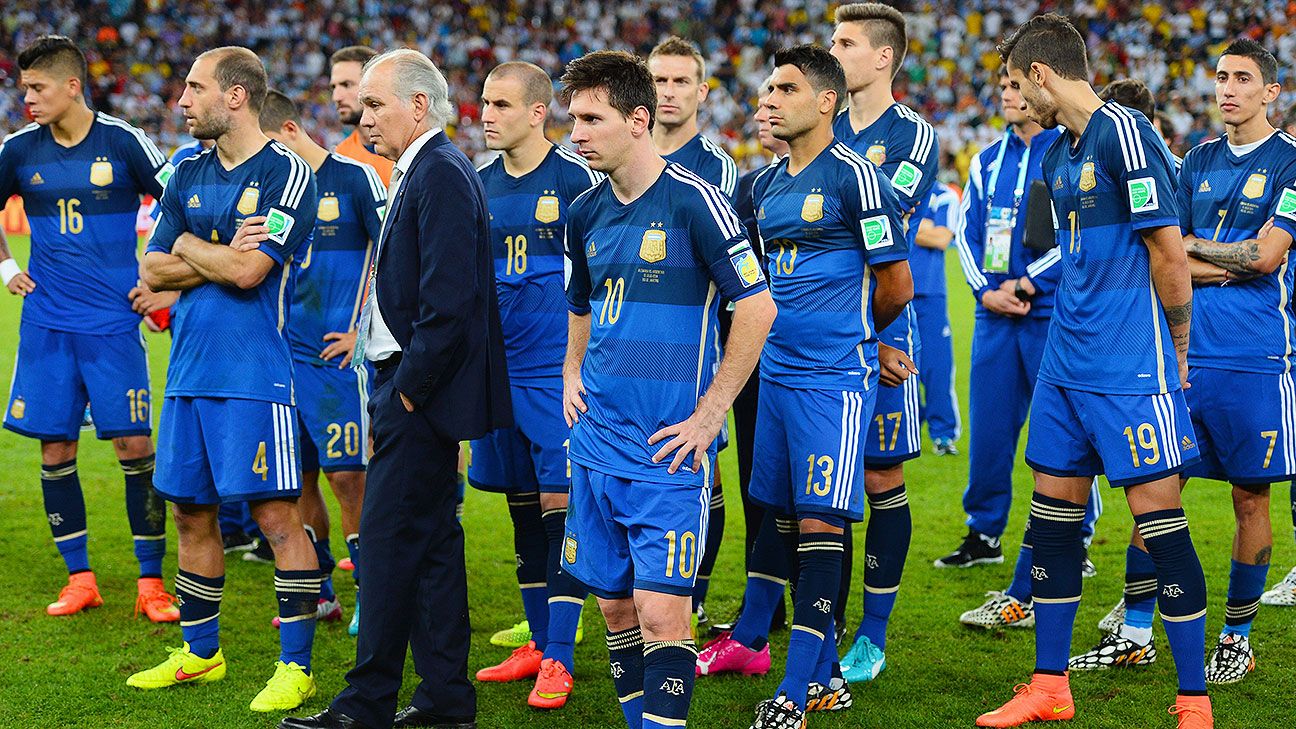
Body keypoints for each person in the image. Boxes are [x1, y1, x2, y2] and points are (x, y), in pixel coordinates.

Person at [977, 15, 1211, 728]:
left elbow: (1168, 252)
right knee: (1052, 520)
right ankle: (1049, 685)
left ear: (1042, 74)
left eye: (1017, 83)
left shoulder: (1126, 132)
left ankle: (1193, 697)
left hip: (1129, 369)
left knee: (1161, 525)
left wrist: (1177, 341)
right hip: (1064, 369)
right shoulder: (1057, 153)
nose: (1014, 97)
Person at [282, 48, 510, 729]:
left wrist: (405, 392)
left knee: (383, 547)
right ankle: (445, 700)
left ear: (419, 105)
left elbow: (449, 301)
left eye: (375, 103)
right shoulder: (427, 168)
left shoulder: (437, 172)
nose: (361, 113)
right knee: (433, 546)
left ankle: (366, 703)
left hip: (417, 390)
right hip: (412, 385)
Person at [558, 49, 775, 729]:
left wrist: (711, 415)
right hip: (596, 444)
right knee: (616, 607)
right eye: (573, 118)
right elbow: (581, 302)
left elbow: (759, 306)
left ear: (637, 120)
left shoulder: (696, 202)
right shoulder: (585, 210)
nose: (576, 133)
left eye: (591, 118)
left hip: (667, 452)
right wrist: (570, 372)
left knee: (661, 613)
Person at [1071, 39, 1296, 685]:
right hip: (1181, 352)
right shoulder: (1193, 159)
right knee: (1156, 491)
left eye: (1243, 78)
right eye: (1221, 76)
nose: (1227, 88)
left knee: (1250, 499)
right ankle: (1136, 631)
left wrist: (1195, 252)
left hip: (1256, 358)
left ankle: (1237, 635)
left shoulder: (1290, 164)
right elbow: (1159, 253)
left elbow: (1266, 258)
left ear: (1270, 91)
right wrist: (1216, 258)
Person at [128, 46, 322, 713]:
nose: (181, 100)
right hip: (186, 371)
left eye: (194, 88)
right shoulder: (185, 170)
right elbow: (151, 269)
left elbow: (250, 274)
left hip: (254, 375)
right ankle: (200, 651)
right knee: (190, 511)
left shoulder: (287, 173)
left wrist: (188, 248)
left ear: (236, 96)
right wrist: (199, 251)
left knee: (274, 515)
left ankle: (296, 664)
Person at [743, 45, 913, 729]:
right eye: (767, 88)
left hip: (833, 380)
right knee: (781, 514)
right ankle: (826, 676)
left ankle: (793, 692)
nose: (770, 100)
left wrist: (854, 335)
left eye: (785, 88)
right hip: (775, 373)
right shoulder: (764, 186)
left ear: (825, 101)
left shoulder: (856, 180)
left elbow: (896, 283)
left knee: (821, 521)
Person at [0, 34, 178, 623]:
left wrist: (161, 281)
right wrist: (7, 265)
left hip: (111, 323)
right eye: (23, 88)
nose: (26, 98)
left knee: (134, 445)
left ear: (72, 86)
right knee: (56, 447)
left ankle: (151, 584)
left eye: (36, 88)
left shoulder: (123, 141)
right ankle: (81, 579)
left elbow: (179, 205)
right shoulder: (20, 151)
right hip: (47, 324)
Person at [468, 60, 599, 710]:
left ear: (537, 112)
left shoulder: (576, 181)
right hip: (498, 374)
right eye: (483, 103)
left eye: (499, 103)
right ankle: (537, 642)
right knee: (522, 509)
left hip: (556, 376)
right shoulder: (476, 182)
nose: (485, 114)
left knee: (559, 514)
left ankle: (561, 655)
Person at [953, 66, 1102, 629]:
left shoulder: (1067, 152)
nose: (1008, 96)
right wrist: (985, 291)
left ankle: (1076, 536)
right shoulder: (985, 160)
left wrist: (1030, 280)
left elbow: (1078, 232)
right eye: (1003, 89)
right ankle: (984, 531)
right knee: (989, 429)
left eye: (1017, 87)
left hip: (1049, 313)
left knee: (1060, 435)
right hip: (994, 315)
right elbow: (967, 234)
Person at [829, 1, 939, 684]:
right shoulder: (821, 124)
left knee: (878, 476)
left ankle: (872, 633)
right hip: (816, 327)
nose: (832, 51)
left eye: (844, 42)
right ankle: (823, 615)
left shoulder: (913, 136)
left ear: (882, 57)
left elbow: (883, 228)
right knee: (822, 487)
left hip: (882, 321)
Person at [259, 90, 387, 637]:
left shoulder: (356, 179)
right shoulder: (270, 189)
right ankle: (322, 594)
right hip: (281, 359)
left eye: (268, 147)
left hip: (336, 362)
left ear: (288, 131)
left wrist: (362, 330)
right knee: (297, 480)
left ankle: (370, 595)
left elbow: (393, 252)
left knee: (348, 479)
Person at [647, 35, 739, 627]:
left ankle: (693, 592)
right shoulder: (612, 158)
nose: (669, 92)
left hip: (696, 345)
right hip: (628, 342)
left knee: (696, 465)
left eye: (682, 81)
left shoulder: (718, 168)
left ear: (703, 92)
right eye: (659, 80)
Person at [913, 180, 961, 454]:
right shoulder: (888, 188)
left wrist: (906, 222)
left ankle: (943, 433)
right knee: (890, 366)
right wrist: (926, 226)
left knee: (937, 366)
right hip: (891, 290)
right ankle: (909, 422)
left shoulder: (944, 195)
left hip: (930, 292)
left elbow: (942, 239)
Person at [330, 46, 393, 186]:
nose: (336, 97)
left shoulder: (408, 150)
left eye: (346, 85)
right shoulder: (342, 156)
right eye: (333, 87)